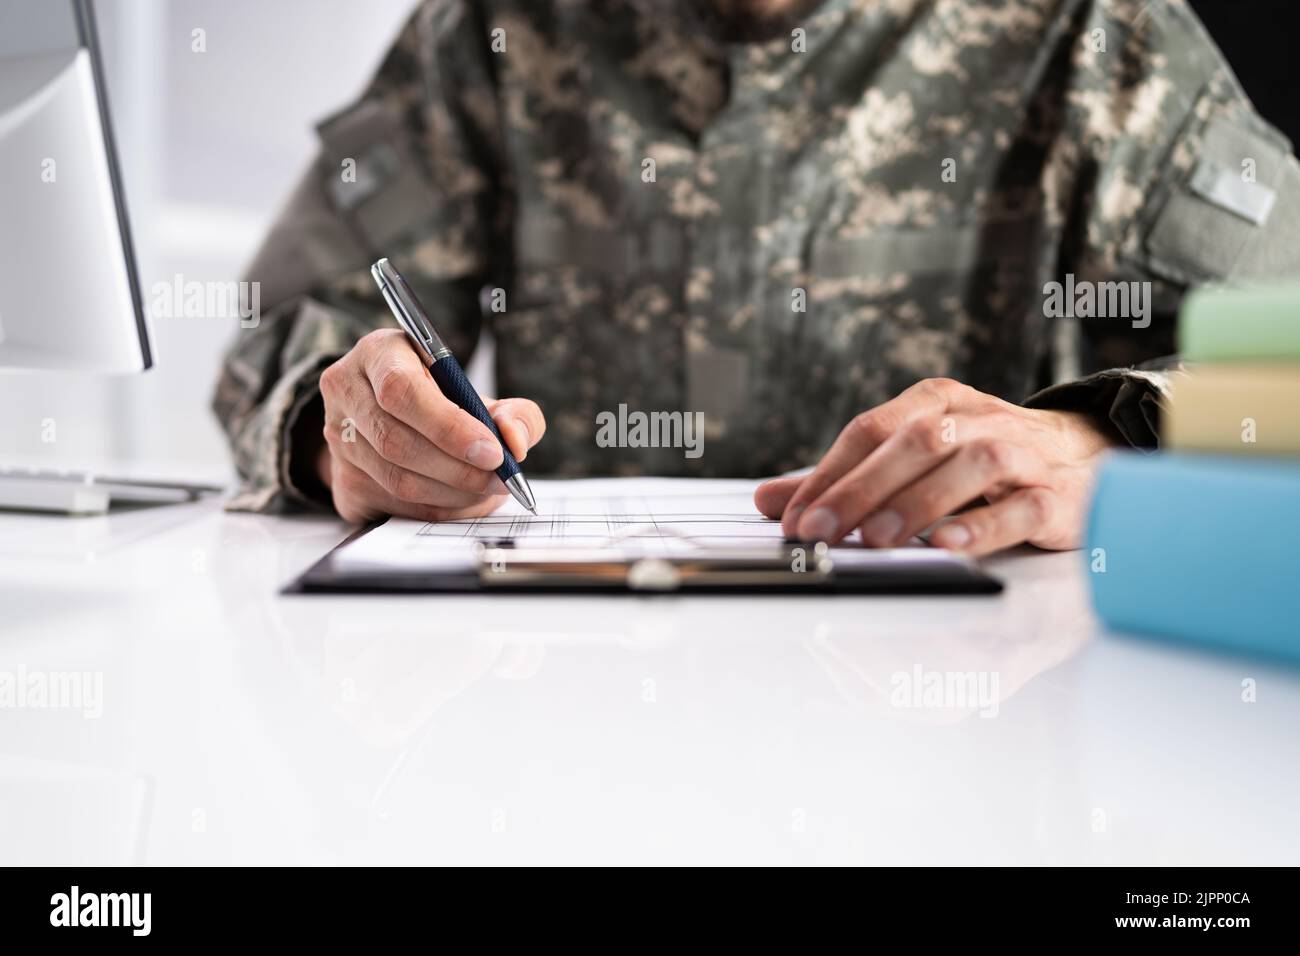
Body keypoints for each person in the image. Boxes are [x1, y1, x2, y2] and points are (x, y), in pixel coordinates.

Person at [214, 0, 1300, 554]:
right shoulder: (499, 29)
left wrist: (1102, 437)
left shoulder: (1088, 31)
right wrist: (344, 430)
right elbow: (289, 329)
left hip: (995, 718)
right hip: (581, 694)